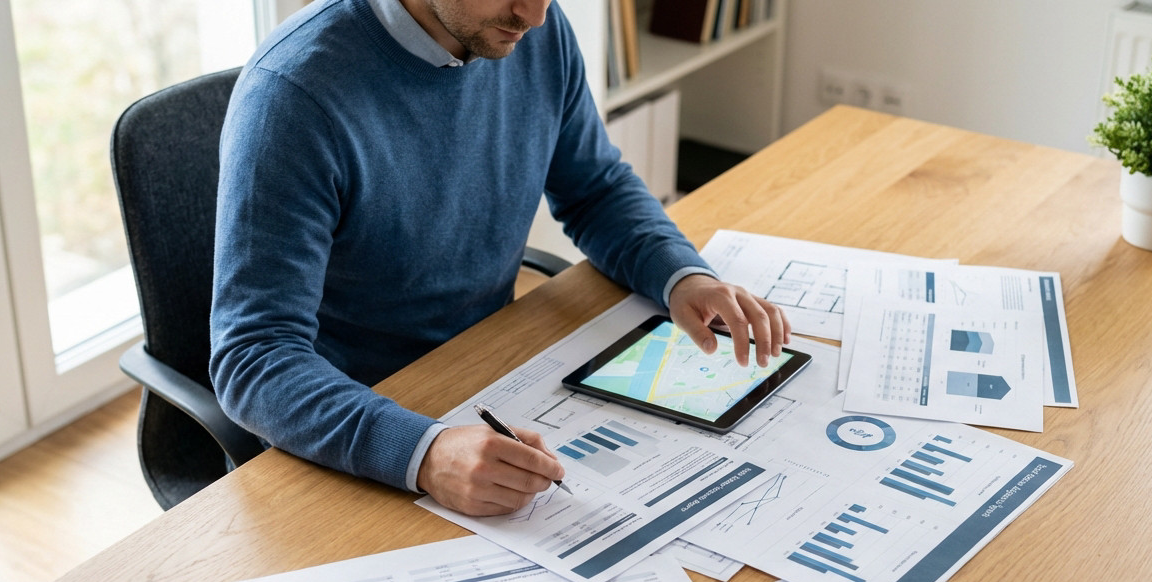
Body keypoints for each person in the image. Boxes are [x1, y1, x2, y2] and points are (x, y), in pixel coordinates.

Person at [210, 0, 791, 518]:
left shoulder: (530, 24)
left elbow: (594, 188)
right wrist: (425, 452)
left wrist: (680, 275)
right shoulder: (292, 96)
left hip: (491, 373)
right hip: (357, 421)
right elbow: (254, 357)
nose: (536, 17)